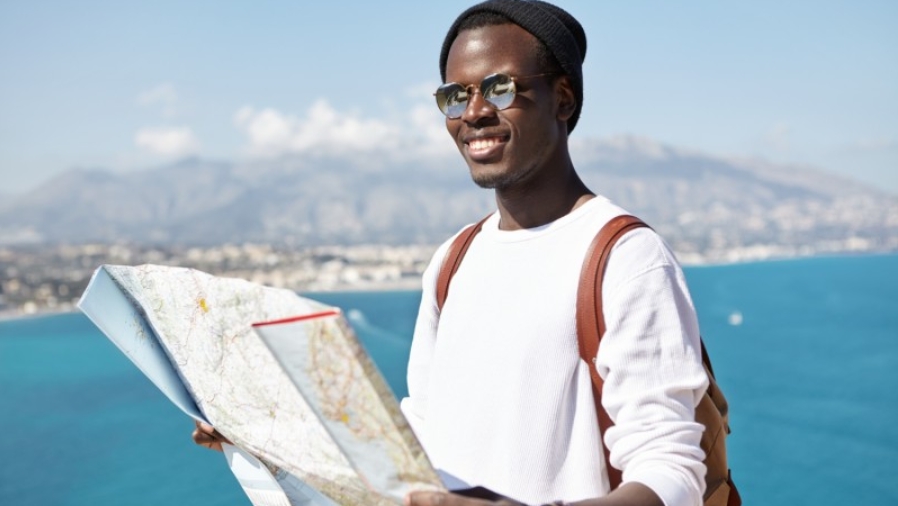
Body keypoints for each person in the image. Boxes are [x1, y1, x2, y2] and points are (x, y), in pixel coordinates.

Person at [197, 1, 709, 505]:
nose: (475, 113)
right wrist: (266, 433)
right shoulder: (454, 258)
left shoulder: (625, 257)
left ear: (563, 98)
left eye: (500, 88)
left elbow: (671, 474)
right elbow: (419, 443)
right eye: (455, 96)